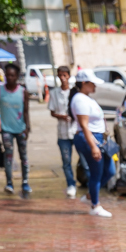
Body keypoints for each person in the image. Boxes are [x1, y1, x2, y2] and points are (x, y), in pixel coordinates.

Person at [69, 69, 112, 217]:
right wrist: (93, 146)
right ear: (84, 83)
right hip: (90, 138)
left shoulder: (86, 98)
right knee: (96, 172)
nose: (95, 86)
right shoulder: (80, 100)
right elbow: (84, 125)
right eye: (92, 83)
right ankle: (95, 205)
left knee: (110, 170)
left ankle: (90, 195)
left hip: (98, 138)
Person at [0, 61, 30, 193]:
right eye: (8, 75)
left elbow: (26, 111)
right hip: (6, 129)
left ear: (17, 76)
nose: (10, 78)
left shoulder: (23, 92)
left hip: (21, 129)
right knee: (8, 156)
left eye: (13, 75)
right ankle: (9, 183)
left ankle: (25, 182)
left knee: (23, 156)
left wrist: (28, 127)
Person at [46, 64, 77, 198]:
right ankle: (71, 184)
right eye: (60, 76)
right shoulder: (54, 93)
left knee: (85, 159)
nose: (63, 78)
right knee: (66, 160)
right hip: (63, 132)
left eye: (65, 75)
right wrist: (62, 117)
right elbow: (52, 112)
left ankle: (88, 182)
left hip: (76, 131)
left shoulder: (75, 92)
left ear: (68, 76)